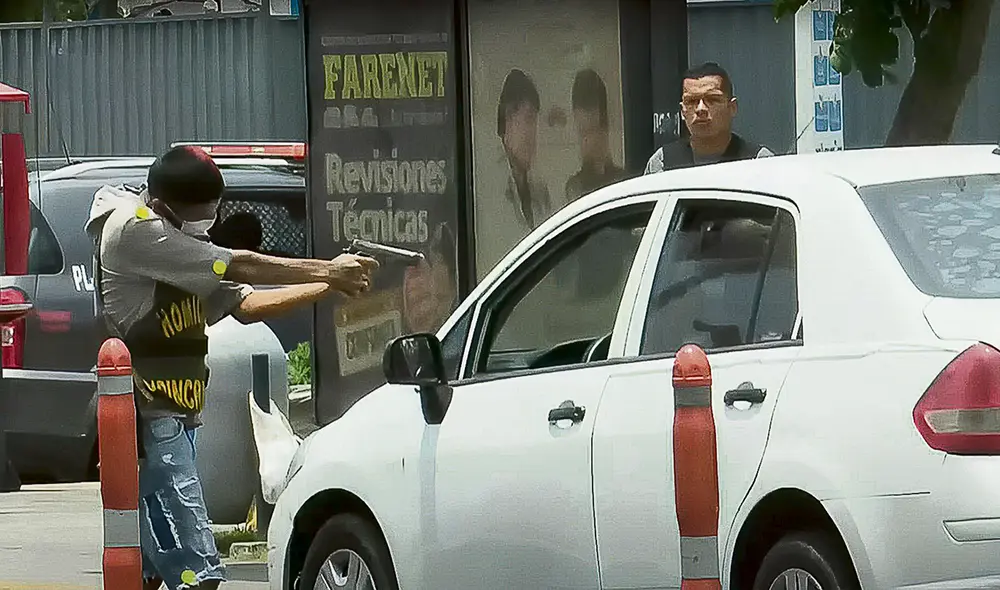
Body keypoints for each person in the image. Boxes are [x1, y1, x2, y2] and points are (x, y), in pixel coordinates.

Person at [83, 146, 378, 590]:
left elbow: (245, 303)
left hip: (182, 407)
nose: (209, 223)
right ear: (166, 205)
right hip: (149, 409)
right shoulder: (137, 228)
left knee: (158, 561)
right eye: (204, 214)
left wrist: (325, 287)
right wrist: (328, 270)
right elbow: (238, 262)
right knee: (197, 564)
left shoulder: (182, 243)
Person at [476, 68, 552, 277]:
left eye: (535, 121)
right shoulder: (487, 187)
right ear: (507, 122)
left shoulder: (539, 191)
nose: (533, 133)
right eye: (527, 119)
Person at [644, 62, 774, 174]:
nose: (701, 109)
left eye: (712, 99)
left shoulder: (760, 162)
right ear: (682, 111)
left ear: (732, 107)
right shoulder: (663, 162)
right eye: (692, 101)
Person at [564, 68, 628, 203]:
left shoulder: (623, 183)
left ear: (605, 130)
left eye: (591, 131)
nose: (587, 141)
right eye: (582, 133)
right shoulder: (575, 188)